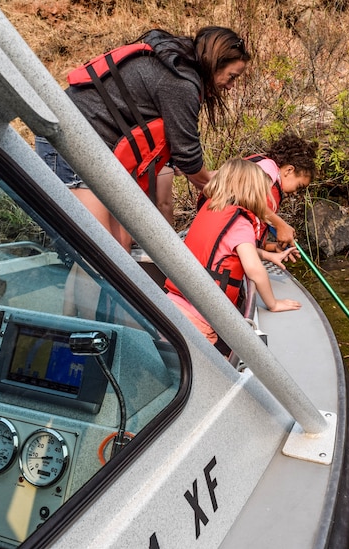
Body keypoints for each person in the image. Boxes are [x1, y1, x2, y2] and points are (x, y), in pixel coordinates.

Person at [37, 26, 251, 250]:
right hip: (71, 142)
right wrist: (216, 185)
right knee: (104, 253)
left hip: (96, 150)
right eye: (231, 77)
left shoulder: (173, 67)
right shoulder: (180, 82)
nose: (230, 87)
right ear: (215, 63)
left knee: (122, 245)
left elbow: (180, 151)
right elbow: (189, 158)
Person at [165, 158, 301, 346]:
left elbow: (227, 250)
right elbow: (254, 270)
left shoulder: (212, 209)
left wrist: (270, 255)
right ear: (254, 192)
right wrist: (273, 304)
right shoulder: (240, 223)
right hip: (198, 321)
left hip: (173, 304)